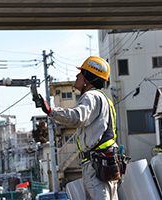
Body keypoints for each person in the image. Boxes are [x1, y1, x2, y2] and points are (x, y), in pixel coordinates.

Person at [37, 56, 119, 200]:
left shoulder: (90, 96)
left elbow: (76, 117)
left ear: (88, 77)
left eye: (81, 72)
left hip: (97, 164)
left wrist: (51, 111)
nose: (77, 75)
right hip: (105, 162)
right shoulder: (103, 98)